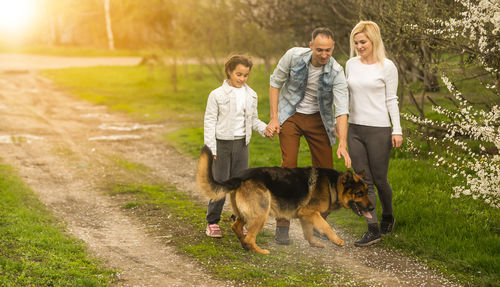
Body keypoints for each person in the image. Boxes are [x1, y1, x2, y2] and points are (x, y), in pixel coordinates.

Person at [266, 27, 351, 245]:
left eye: (328, 51)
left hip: (318, 119)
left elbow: (342, 108)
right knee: (289, 167)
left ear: (333, 48)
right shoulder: (293, 56)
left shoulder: (336, 71)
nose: (324, 55)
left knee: (326, 172)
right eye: (320, 49)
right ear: (311, 45)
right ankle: (283, 223)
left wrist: (342, 142)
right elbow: (275, 82)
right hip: (291, 115)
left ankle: (318, 222)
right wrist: (274, 119)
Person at [346, 21, 403, 247]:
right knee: (362, 181)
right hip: (355, 129)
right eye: (356, 42)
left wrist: (396, 129)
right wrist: (341, 124)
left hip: (379, 130)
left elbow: (392, 99)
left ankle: (388, 214)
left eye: (363, 42)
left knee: (379, 181)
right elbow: (347, 96)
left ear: (373, 41)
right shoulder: (350, 64)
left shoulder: (387, 67)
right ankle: (373, 229)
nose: (359, 46)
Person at [203, 54, 271, 238]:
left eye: (245, 75)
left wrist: (265, 129)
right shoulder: (216, 95)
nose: (242, 79)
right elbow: (209, 122)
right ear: (229, 72)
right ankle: (212, 222)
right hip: (221, 145)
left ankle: (239, 220)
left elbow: (254, 120)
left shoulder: (251, 95)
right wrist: (211, 149)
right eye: (238, 74)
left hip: (242, 144)